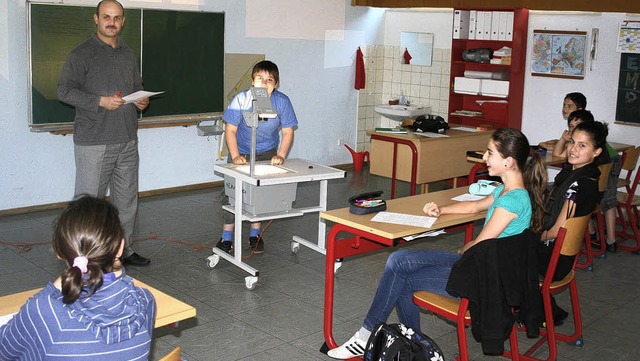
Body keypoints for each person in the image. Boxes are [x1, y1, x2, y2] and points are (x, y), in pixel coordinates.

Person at [327, 128, 549, 359]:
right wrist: (441, 210)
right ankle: (411, 345)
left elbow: (482, 243)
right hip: (482, 265)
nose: (484, 158)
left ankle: (378, 338)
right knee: (398, 259)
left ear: (509, 161)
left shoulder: (513, 201)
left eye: (490, 153)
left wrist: (464, 248)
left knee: (402, 278)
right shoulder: (507, 190)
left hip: (484, 279)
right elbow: (474, 207)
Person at [0, 196, 156, 360]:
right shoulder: (144, 301)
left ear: (59, 252)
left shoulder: (45, 311)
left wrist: (52, 290)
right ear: (120, 248)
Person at [58, 0, 150, 266]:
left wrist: (141, 100)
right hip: (94, 142)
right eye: (107, 17)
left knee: (126, 200)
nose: (112, 22)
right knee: (87, 204)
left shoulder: (127, 53)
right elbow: (64, 91)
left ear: (123, 21)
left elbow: (136, 87)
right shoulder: (81, 54)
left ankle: (124, 249)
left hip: (127, 139)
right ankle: (83, 255)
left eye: (117, 18)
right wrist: (101, 101)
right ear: (96, 19)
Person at [216, 60, 298, 254]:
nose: (264, 83)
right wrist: (235, 156)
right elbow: (230, 130)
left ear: (276, 84)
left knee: (259, 195)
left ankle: (255, 235)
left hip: (267, 151)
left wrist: (281, 155)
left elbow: (287, 132)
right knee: (232, 194)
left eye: (270, 80)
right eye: (259, 79)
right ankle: (226, 238)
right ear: (252, 82)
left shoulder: (282, 102)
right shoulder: (241, 100)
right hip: (242, 151)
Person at [538, 120, 607, 324]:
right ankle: (539, 305)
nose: (573, 149)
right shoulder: (587, 176)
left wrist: (536, 235)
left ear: (596, 152)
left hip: (552, 260)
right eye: (572, 142)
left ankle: (526, 309)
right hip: (563, 258)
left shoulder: (578, 185)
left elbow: (555, 231)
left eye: (582, 145)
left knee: (500, 246)